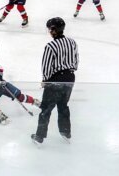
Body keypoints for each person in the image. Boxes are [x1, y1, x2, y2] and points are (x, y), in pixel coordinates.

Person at [31, 17, 79, 145]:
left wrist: (45, 80)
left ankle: (39, 137)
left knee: (46, 108)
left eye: (49, 29)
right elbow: (76, 61)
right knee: (63, 105)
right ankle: (66, 132)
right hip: (70, 77)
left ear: (53, 30)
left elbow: (46, 66)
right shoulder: (72, 42)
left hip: (55, 79)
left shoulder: (50, 46)